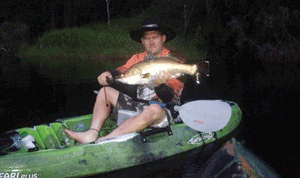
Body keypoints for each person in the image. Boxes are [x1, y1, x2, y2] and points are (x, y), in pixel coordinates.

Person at [64, 18, 185, 143]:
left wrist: (160, 86)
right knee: (105, 91)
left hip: (163, 111)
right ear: (142, 41)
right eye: (147, 39)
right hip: (140, 107)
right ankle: (91, 133)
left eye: (155, 37)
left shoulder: (173, 61)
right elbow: (122, 71)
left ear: (163, 38)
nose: (151, 42)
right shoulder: (138, 58)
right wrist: (108, 74)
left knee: (154, 109)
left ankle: (105, 140)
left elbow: (169, 97)